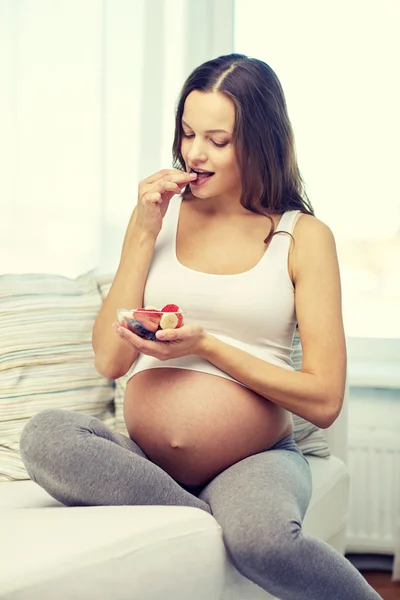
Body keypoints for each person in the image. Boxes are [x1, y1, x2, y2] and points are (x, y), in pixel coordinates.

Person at [20, 54, 382, 599]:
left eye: (217, 139)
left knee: (266, 543)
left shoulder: (302, 237)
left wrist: (208, 346)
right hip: (145, 460)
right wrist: (143, 231)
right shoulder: (158, 217)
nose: (194, 152)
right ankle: (208, 516)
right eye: (188, 133)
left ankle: (219, 519)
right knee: (45, 435)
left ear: (260, 142)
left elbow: (324, 399)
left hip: (252, 460)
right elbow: (109, 361)